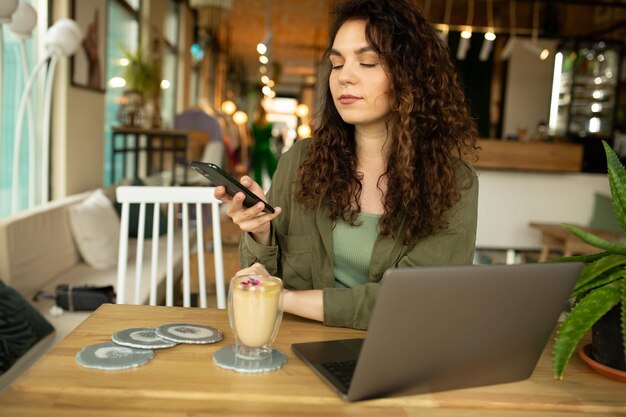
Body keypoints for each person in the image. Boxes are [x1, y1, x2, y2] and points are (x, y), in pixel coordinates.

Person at [215, 0, 479, 330]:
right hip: (297, 348)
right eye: (337, 64)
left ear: (411, 77)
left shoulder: (454, 182)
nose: (344, 77)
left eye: (367, 62)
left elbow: (417, 302)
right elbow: (262, 277)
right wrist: (260, 232)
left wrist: (284, 298)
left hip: (395, 353)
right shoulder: (301, 162)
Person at [251, 104, 278, 189]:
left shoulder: (254, 125)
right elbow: (270, 137)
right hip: (266, 147)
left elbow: (252, 137)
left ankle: (259, 186)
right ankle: (275, 184)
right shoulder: (269, 125)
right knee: (271, 167)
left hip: (257, 148)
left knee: (257, 168)